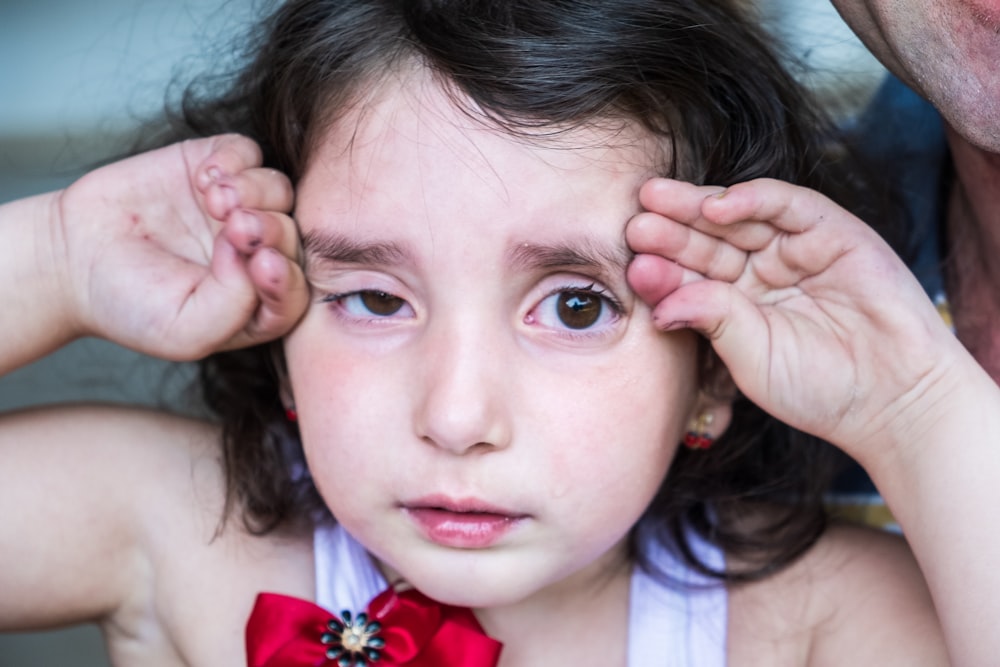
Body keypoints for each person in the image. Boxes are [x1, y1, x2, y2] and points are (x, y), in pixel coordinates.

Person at [0, 0, 992, 664]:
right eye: (375, 299)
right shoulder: (180, 531)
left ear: (711, 369)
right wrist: (56, 260)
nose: (457, 414)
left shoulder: (813, 620)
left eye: (573, 304)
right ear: (280, 318)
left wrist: (914, 410)